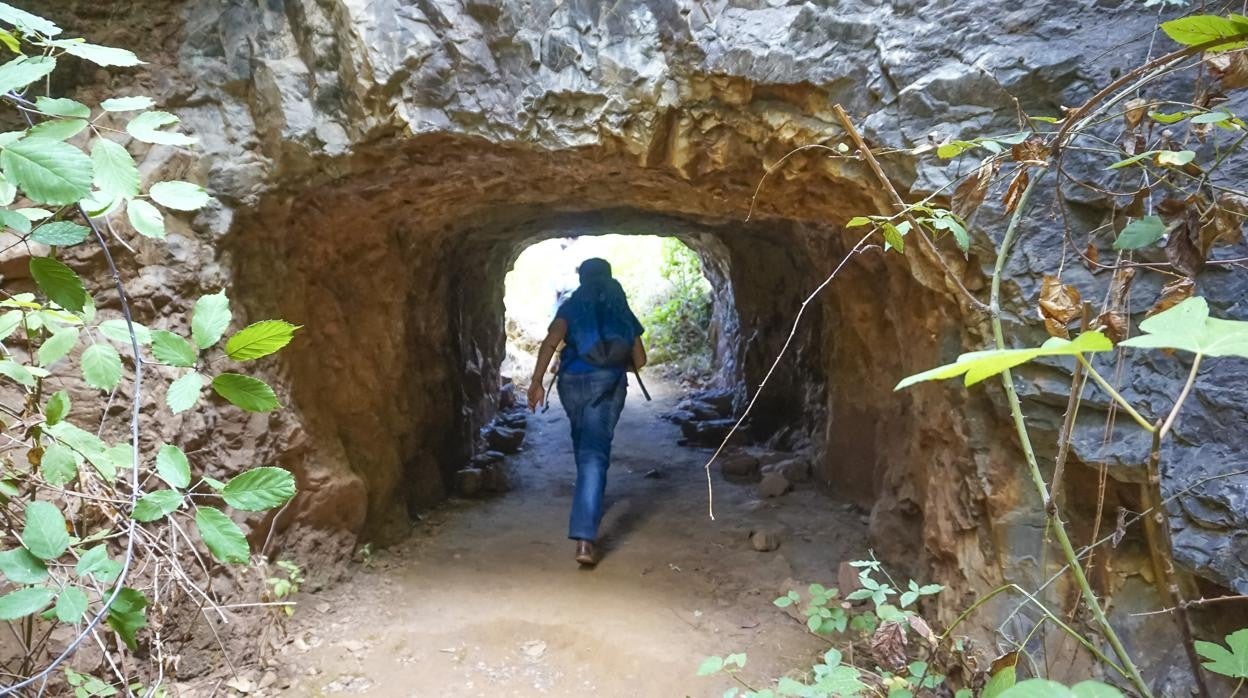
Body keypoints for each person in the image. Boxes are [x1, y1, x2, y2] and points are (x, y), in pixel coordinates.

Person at [527, 258, 647, 566]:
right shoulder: (620, 307)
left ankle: (587, 512)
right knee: (595, 453)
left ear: (582, 278)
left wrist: (536, 382)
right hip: (608, 384)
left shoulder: (572, 305)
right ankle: (585, 537)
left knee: (585, 444)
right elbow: (641, 360)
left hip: (571, 383)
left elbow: (551, 342)